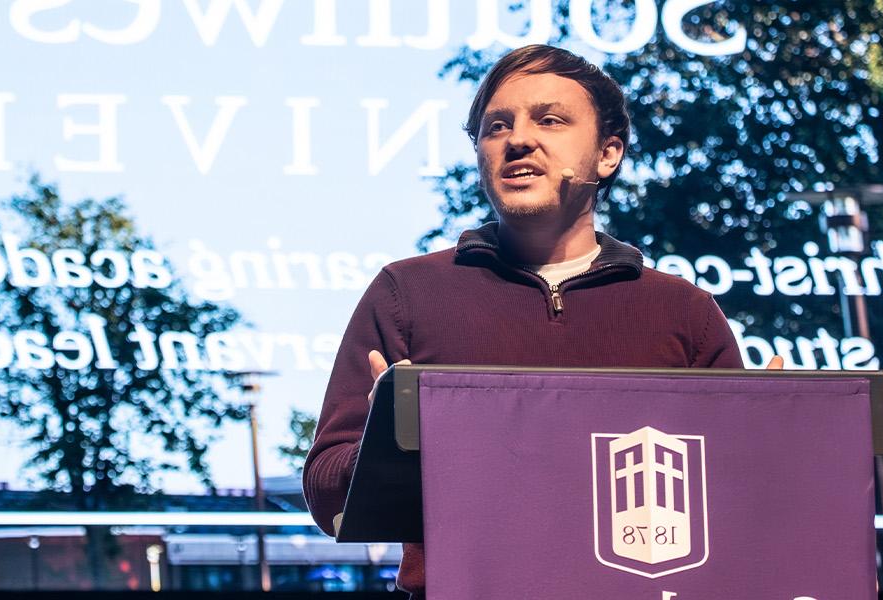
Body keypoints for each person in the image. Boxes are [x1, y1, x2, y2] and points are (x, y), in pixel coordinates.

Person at [302, 44, 745, 597]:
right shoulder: (405, 293)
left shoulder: (685, 312)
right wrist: (381, 449)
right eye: (496, 126)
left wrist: (772, 433)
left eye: (551, 119)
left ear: (609, 153)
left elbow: (738, 507)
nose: (517, 139)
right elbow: (326, 493)